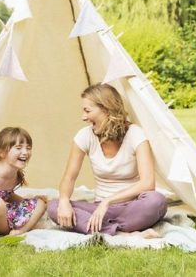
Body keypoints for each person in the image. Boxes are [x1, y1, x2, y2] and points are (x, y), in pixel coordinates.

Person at [48, 84, 167, 238]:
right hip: (99, 210)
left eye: (87, 110)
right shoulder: (84, 136)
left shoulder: (136, 134)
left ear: (106, 109)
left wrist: (108, 201)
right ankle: (124, 234)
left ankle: (103, 229)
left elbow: (147, 183)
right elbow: (69, 178)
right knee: (54, 206)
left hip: (133, 207)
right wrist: (64, 201)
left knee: (157, 200)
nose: (83, 117)